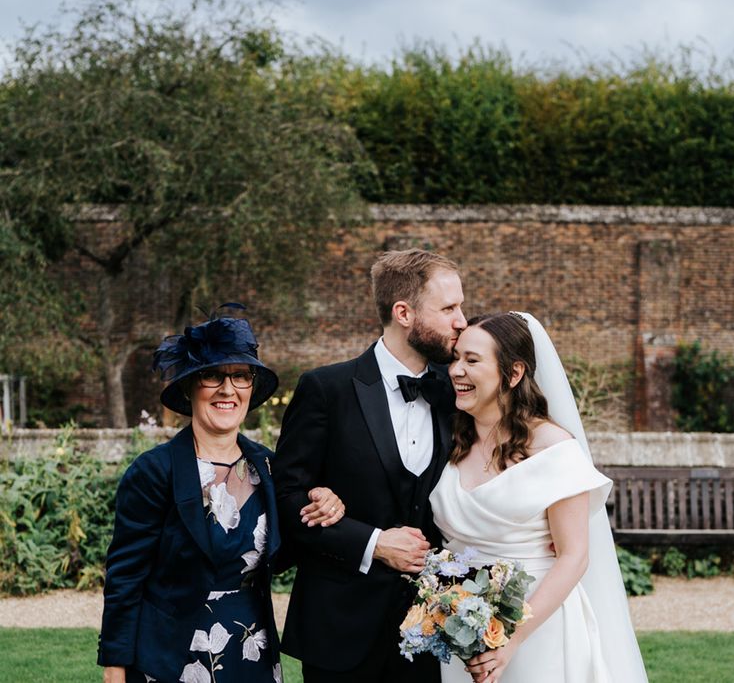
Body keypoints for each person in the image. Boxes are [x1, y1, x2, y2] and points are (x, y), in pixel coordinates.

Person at [97, 306, 345, 683]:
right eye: (213, 376)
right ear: (190, 386)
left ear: (251, 388)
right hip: (170, 658)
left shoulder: (270, 469)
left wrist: (326, 500)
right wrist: (115, 666)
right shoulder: (153, 472)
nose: (227, 389)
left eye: (240, 377)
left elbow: (288, 549)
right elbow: (124, 578)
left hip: (252, 651)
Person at [272, 249, 467, 683]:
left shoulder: (458, 395)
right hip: (340, 628)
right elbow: (285, 498)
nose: (462, 321)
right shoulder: (326, 389)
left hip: (430, 630)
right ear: (403, 312)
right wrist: (374, 543)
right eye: (449, 308)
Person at [430, 312, 648, 683]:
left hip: (537, 629)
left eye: (472, 360)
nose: (455, 370)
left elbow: (574, 556)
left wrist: (510, 640)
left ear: (513, 374)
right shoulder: (449, 440)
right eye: (455, 358)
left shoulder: (554, 449)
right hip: (459, 629)